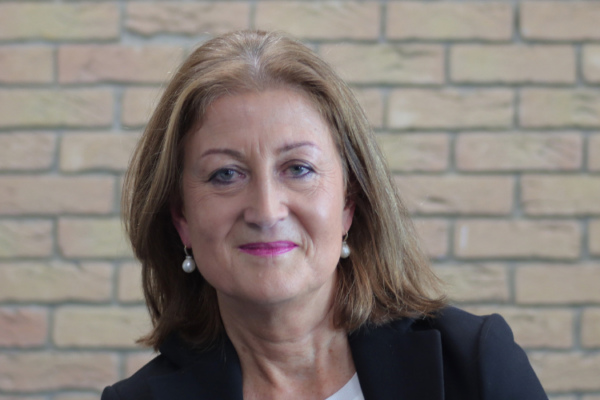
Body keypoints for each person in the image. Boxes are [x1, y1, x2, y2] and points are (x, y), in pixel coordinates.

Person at [101, 30, 547, 400]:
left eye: (298, 168)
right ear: (181, 218)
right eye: (225, 175)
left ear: (349, 201)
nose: (266, 210)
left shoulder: (474, 364)